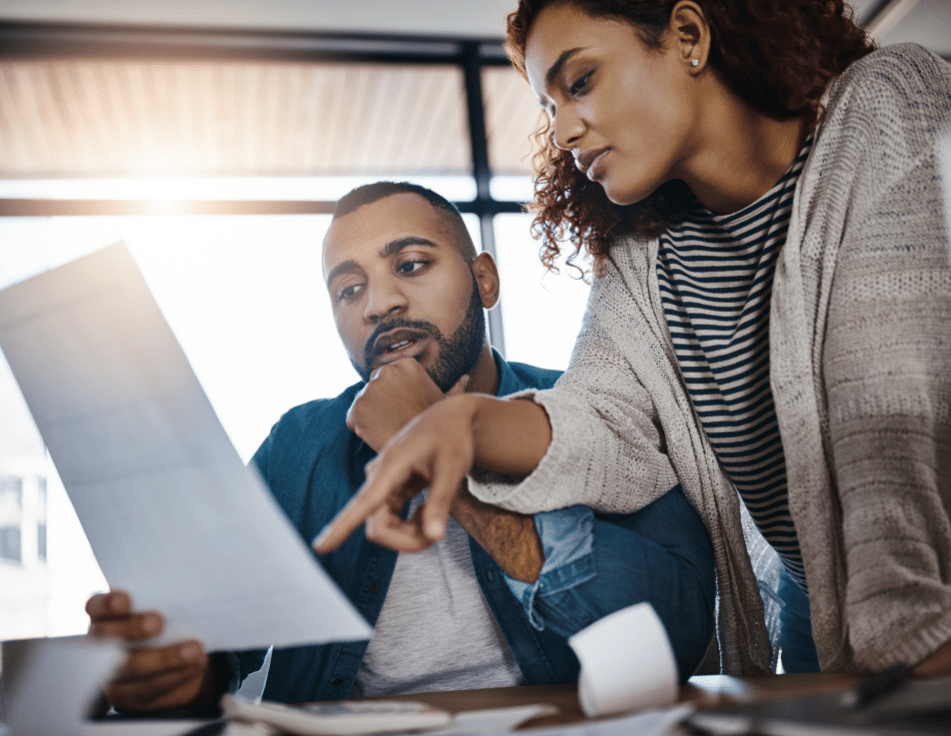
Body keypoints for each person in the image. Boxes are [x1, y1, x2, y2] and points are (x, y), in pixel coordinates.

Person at [314, 2, 951, 679]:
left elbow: (882, 401)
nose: (560, 130)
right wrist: (465, 422)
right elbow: (599, 418)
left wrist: (909, 640)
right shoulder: (645, 256)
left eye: (579, 82)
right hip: (820, 607)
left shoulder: (885, 102)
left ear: (687, 36)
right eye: (547, 105)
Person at [86, 182, 716, 713]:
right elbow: (216, 655)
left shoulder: (592, 408)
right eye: (348, 289)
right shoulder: (300, 446)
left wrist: (448, 456)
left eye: (411, 265)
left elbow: (675, 637)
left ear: (485, 282)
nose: (380, 304)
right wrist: (168, 674)